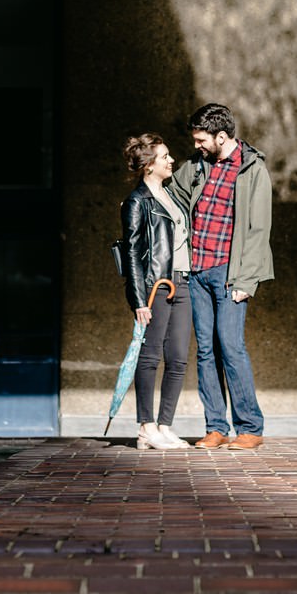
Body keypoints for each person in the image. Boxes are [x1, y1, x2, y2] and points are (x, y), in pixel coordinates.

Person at [168, 103, 274, 451]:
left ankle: (250, 427)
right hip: (198, 271)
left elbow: (259, 229)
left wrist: (247, 282)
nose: (197, 145)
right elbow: (170, 195)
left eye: (202, 139)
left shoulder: (252, 169)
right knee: (206, 353)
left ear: (222, 136)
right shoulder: (198, 166)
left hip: (231, 275)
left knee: (231, 347)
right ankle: (216, 426)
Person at [120, 133, 193, 450]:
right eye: (165, 156)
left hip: (182, 282)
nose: (171, 161)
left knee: (178, 358)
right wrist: (138, 300)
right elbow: (133, 254)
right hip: (155, 285)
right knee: (150, 357)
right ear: (149, 164)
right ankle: (146, 427)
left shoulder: (171, 197)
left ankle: (165, 426)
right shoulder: (137, 202)